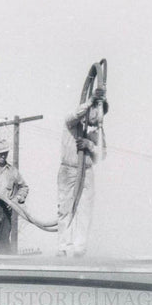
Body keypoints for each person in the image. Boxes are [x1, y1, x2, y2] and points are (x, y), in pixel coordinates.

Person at [56, 90, 107, 256]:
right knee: (65, 208)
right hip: (69, 170)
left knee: (85, 210)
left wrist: (89, 145)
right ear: (90, 109)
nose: (97, 118)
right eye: (96, 113)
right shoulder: (72, 124)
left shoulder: (96, 132)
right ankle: (64, 247)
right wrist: (91, 100)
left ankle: (79, 248)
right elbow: (73, 115)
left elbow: (102, 154)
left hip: (87, 171)